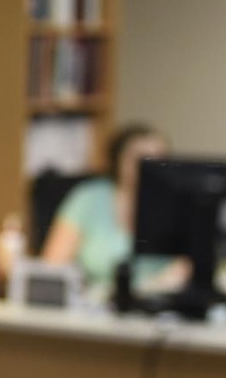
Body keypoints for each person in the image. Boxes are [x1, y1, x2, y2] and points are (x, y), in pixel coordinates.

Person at [40, 123, 181, 294]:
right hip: (96, 307)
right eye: (141, 159)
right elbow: (52, 268)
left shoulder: (179, 205)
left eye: (159, 159)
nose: (150, 168)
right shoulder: (89, 198)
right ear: (118, 161)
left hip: (160, 307)